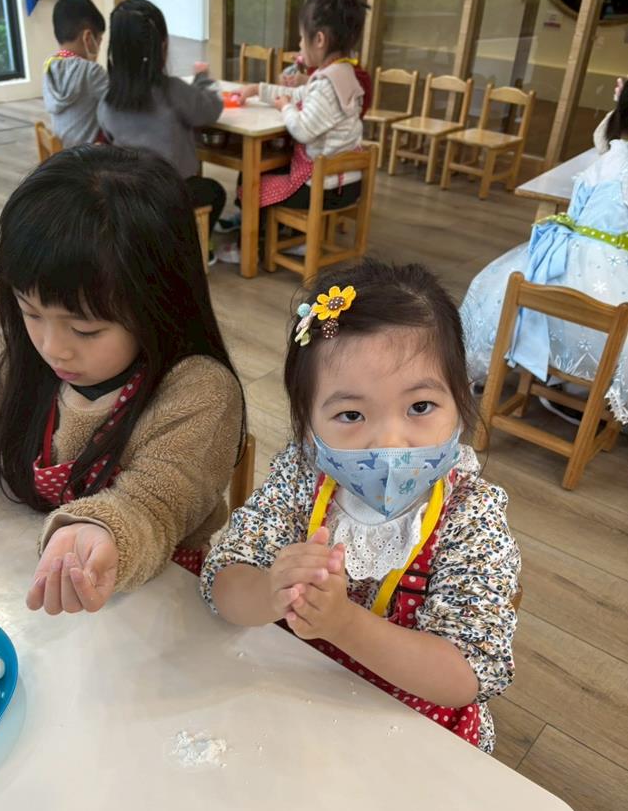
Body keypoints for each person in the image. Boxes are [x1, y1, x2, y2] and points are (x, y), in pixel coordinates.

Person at [0, 146, 245, 658]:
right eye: (30, 311)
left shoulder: (198, 394)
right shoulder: (10, 362)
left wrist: (101, 532)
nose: (52, 347)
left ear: (160, 305)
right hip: (43, 598)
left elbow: (153, 507)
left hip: (156, 610)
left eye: (85, 329)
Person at [201, 259, 520, 754]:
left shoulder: (470, 515)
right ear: (308, 425)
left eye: (420, 407)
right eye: (351, 414)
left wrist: (344, 624)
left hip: (412, 732)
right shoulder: (302, 478)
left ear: (462, 401)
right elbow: (222, 583)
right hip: (297, 707)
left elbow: (467, 674)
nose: (389, 441)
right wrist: (270, 591)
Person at [460, 76, 628, 426]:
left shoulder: (607, 157)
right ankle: (576, 392)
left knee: (497, 289)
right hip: (607, 286)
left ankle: (527, 370)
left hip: (559, 259)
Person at [217, 0, 367, 264]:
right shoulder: (343, 73)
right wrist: (259, 90)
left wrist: (285, 108)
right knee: (270, 170)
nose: (299, 45)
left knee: (253, 181)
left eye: (301, 38)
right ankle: (291, 240)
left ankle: (248, 249)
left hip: (324, 188)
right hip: (345, 183)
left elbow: (302, 129)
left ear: (319, 39)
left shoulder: (325, 84)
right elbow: (299, 94)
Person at [97, 0, 226, 250]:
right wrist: (203, 80)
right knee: (215, 192)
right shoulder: (173, 91)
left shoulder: (107, 102)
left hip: (129, 197)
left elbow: (109, 137)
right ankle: (197, 249)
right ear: (163, 46)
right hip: (171, 195)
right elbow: (211, 110)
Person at [42, 0, 108, 147]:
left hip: (63, 154)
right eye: (99, 40)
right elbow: (118, 103)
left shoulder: (49, 66)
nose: (99, 47)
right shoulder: (91, 72)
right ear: (88, 38)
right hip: (87, 156)